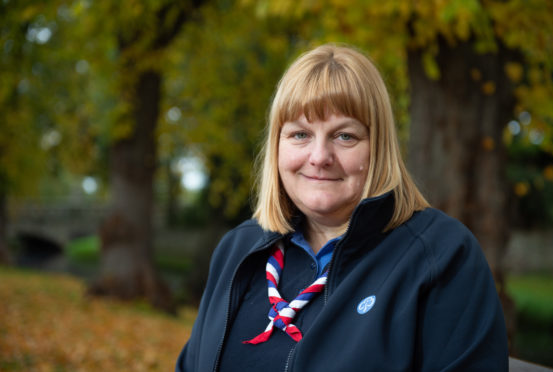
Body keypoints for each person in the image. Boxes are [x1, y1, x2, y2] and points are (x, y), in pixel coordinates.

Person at [175, 44, 508, 371]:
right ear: (277, 145)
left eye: (345, 136)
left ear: (378, 148)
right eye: (300, 134)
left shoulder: (442, 256)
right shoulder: (239, 249)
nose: (319, 157)